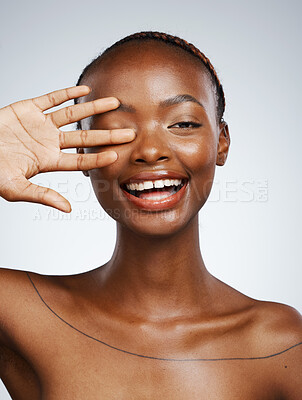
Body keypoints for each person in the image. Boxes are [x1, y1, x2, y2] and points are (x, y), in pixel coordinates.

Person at [0, 30, 301, 400]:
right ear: (79, 147)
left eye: (183, 124)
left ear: (221, 141)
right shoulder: (19, 311)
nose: (151, 150)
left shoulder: (280, 343)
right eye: (115, 129)